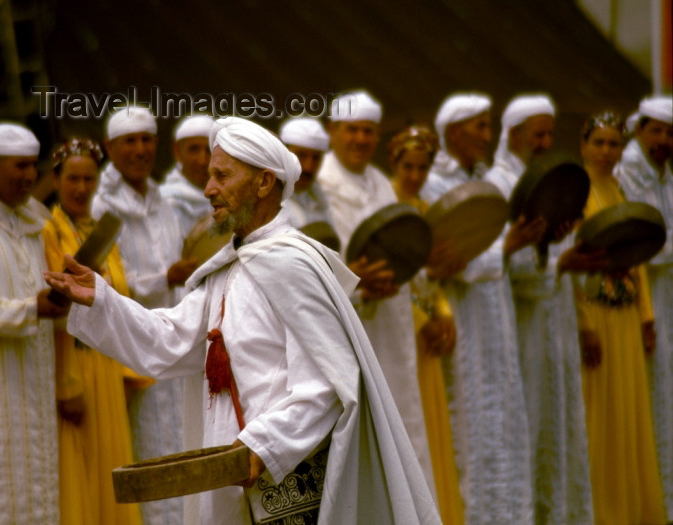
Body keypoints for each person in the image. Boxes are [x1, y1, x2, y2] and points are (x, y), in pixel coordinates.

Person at [44, 116, 442, 525]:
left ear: (264, 183)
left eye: (222, 176)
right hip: (235, 482)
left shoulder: (292, 265)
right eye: (210, 176)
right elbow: (166, 342)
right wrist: (101, 299)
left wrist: (261, 446)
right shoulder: (227, 269)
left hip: (287, 488)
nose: (208, 188)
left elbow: (325, 386)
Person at [420, 92, 535, 524]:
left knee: (505, 422)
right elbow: (449, 258)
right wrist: (507, 245)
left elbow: (499, 255)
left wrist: (518, 244)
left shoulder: (486, 183)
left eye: (490, 126)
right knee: (468, 425)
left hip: (497, 316)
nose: (489, 137)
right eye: (480, 127)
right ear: (453, 132)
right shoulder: (431, 184)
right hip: (462, 321)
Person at [316, 90, 435, 491]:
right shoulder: (319, 185)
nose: (361, 140)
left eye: (368, 131)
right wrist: (357, 283)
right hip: (348, 327)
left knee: (404, 424)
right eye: (352, 130)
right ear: (333, 131)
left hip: (393, 324)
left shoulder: (383, 184)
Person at [485, 94, 593, 524]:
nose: (546, 142)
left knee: (558, 422)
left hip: (557, 322)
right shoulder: (499, 185)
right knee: (524, 425)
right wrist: (552, 260)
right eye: (538, 134)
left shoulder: (552, 180)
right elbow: (505, 265)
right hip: (518, 324)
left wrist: (563, 252)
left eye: (550, 133)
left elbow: (553, 253)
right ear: (513, 136)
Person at [565, 110, 666, 524]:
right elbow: (571, 263)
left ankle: (630, 509)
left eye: (614, 144)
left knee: (629, 410)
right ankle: (600, 511)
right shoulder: (575, 193)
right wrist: (584, 324)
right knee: (598, 413)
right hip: (597, 314)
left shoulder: (619, 189)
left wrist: (646, 314)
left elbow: (635, 257)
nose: (607, 152)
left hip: (624, 314)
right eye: (600, 143)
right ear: (583, 145)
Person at [96, 106, 196, 524]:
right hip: (133, 351)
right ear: (110, 148)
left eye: (146, 140)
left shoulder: (165, 203)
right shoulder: (101, 207)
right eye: (129, 141)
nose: (139, 150)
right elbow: (106, 283)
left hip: (176, 342)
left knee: (185, 446)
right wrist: (164, 277)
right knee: (148, 448)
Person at [42, 138, 145, 525]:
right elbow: (54, 313)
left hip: (106, 366)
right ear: (55, 179)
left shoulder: (99, 231)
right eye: (72, 179)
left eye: (88, 179)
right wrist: (65, 383)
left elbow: (121, 299)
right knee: (80, 474)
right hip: (75, 366)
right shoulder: (49, 232)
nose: (81, 188)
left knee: (112, 467)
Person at [0, 122, 68, 523]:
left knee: (39, 488)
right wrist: (31, 310)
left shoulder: (32, 218)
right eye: (20, 166)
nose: (30, 176)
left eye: (34, 166)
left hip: (35, 376)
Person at [388, 125, 465, 525]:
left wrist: (444, 315)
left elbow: (428, 277)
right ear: (394, 164)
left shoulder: (423, 210)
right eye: (409, 167)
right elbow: (392, 277)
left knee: (433, 432)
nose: (415, 176)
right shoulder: (384, 207)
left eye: (422, 168)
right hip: (400, 337)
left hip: (427, 341)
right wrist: (421, 322)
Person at [614, 94, 673, 521]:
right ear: (639, 130)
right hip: (642, 302)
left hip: (667, 296)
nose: (664, 140)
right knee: (651, 399)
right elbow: (639, 243)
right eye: (657, 130)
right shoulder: (626, 175)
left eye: (670, 133)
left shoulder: (664, 175)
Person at [160, 115, 215, 241]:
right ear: (178, 151)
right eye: (194, 149)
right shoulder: (164, 202)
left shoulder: (227, 199)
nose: (202, 161)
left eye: (209, 150)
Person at [278, 116, 334, 228]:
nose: (308, 167)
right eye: (301, 155)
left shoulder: (321, 198)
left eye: (316, 158)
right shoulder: (270, 202)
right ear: (283, 154)